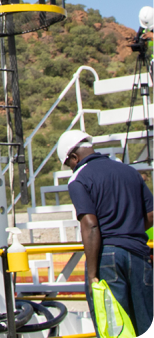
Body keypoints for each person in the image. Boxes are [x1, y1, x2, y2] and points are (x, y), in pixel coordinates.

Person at [59, 129, 154, 336]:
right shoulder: (129, 171)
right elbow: (152, 214)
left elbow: (91, 225)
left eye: (69, 164)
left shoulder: (78, 179)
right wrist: (131, 228)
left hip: (107, 257)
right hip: (139, 254)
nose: (70, 168)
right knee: (146, 322)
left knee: (114, 328)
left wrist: (92, 274)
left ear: (74, 158)